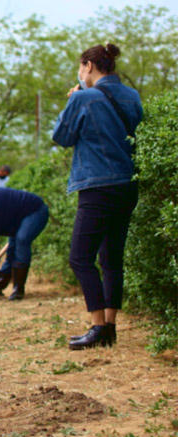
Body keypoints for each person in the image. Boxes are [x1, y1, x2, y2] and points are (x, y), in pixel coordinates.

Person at [52, 43, 143, 350]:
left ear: (89, 66)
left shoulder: (84, 97)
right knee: (112, 258)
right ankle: (111, 328)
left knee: (80, 258)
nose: (80, 73)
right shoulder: (132, 96)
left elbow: (61, 137)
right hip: (127, 185)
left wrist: (72, 102)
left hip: (97, 185)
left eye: (80, 68)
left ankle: (97, 326)